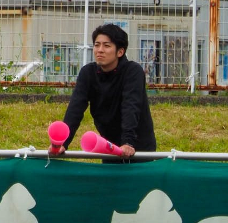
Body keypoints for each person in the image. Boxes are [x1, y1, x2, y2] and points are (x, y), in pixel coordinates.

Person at [58, 23, 156, 158]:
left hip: (138, 146)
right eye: (97, 45)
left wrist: (128, 142)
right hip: (109, 146)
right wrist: (62, 143)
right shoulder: (87, 73)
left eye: (107, 45)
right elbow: (75, 109)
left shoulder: (133, 71)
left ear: (120, 51)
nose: (100, 50)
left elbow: (131, 106)